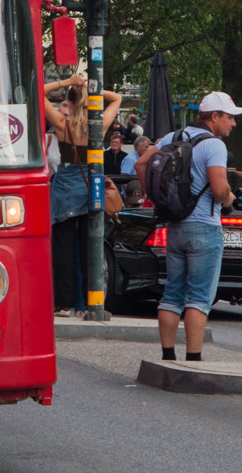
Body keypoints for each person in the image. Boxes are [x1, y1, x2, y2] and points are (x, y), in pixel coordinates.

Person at [135, 91, 241, 363]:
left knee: (172, 293)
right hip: (204, 227)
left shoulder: (172, 137)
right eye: (229, 117)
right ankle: (194, 359)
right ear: (214, 117)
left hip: (175, 225)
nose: (233, 123)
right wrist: (230, 197)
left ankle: (168, 356)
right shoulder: (214, 145)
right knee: (199, 297)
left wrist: (157, 198)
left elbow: (141, 163)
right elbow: (218, 189)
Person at [44, 74, 122, 316]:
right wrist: (92, 86)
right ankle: (91, 302)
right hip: (90, 184)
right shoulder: (98, 125)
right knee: (89, 247)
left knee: (62, 248)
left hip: (65, 183)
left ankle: (64, 303)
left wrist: (68, 81)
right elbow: (117, 98)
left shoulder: (61, 123)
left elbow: (38, 92)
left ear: (70, 100)